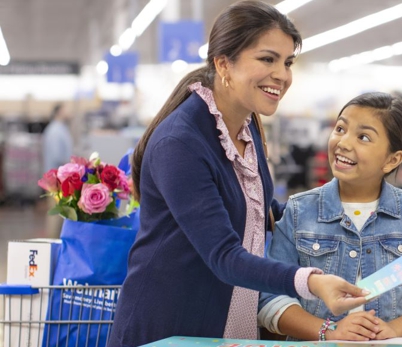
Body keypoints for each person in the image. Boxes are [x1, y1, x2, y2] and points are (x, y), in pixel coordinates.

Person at [108, 2, 367, 346]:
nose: (282, 75)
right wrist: (312, 281)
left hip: (230, 319)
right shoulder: (180, 142)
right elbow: (225, 256)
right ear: (223, 64)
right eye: (267, 59)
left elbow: (256, 207)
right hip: (171, 326)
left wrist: (334, 214)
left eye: (287, 62)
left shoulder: (245, 126)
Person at [258, 92, 402, 341]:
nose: (343, 142)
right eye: (340, 128)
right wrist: (328, 331)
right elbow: (269, 297)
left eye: (363, 137)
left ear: (392, 160)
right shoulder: (298, 212)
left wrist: (394, 330)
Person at [42, 102, 73, 238]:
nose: (69, 112)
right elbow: (58, 156)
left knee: (60, 214)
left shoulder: (60, 129)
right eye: (66, 109)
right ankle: (52, 245)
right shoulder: (55, 130)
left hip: (59, 179)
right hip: (56, 180)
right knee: (55, 214)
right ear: (59, 111)